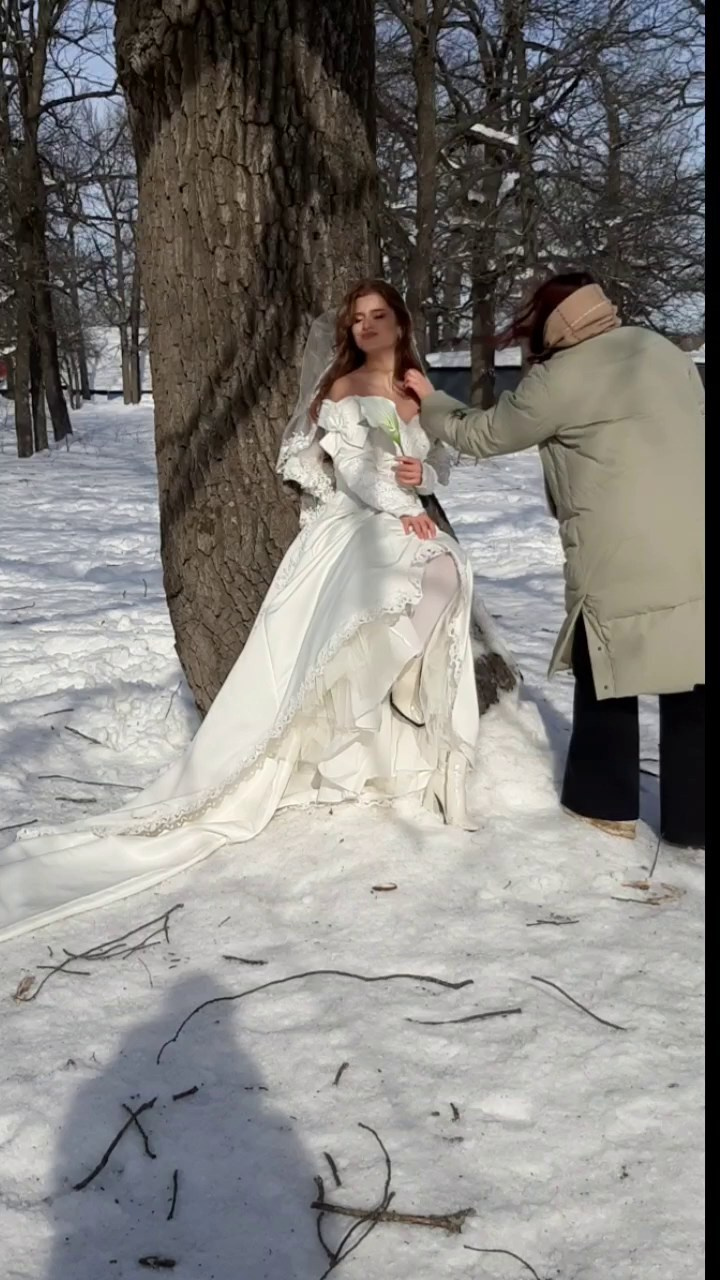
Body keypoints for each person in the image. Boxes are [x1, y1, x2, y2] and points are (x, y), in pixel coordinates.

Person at [0, 280, 480, 944]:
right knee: (394, 593)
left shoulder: (415, 387)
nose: (368, 326)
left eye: (379, 315)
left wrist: (420, 484)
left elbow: (437, 468)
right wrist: (406, 510)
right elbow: (358, 475)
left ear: (400, 321)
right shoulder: (340, 392)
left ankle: (389, 696)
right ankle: (369, 702)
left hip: (402, 520)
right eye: (357, 319)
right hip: (356, 527)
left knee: (447, 577)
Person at [405, 272, 705, 848]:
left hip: (619, 546)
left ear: (551, 322)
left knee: (607, 670)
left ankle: (604, 802)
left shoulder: (562, 377)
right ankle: (696, 821)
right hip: (693, 537)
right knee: (693, 681)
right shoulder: (663, 352)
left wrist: (431, 400)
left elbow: (485, 434)